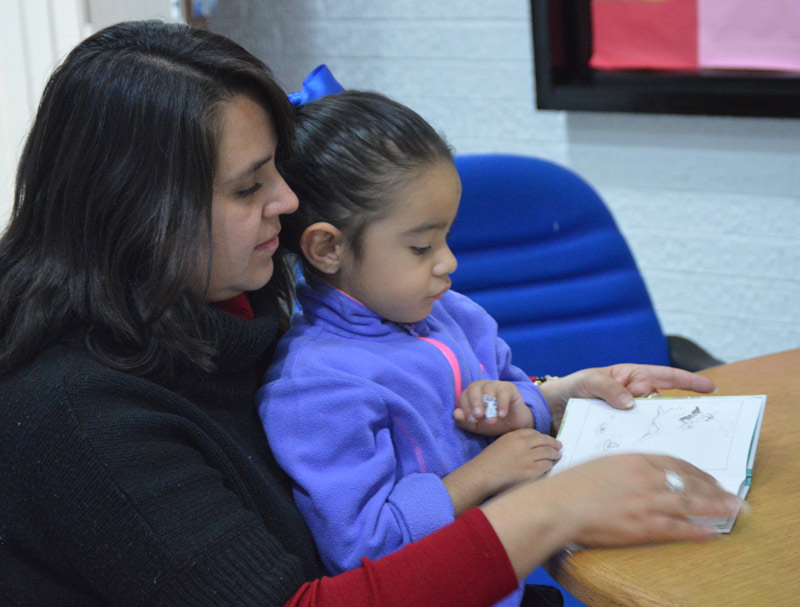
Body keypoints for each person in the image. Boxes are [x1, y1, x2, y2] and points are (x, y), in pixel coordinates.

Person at [0, 19, 742, 607]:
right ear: (137, 208)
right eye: (248, 187)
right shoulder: (77, 417)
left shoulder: (231, 308)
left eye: (279, 174)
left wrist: (554, 394)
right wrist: (554, 509)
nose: (286, 204)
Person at [257, 90, 564, 607]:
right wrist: (484, 473)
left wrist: (517, 407)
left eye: (446, 237)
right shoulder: (316, 385)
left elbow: (518, 386)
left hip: (501, 583)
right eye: (421, 247)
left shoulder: (450, 315)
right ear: (328, 248)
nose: (448, 263)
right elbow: (362, 547)